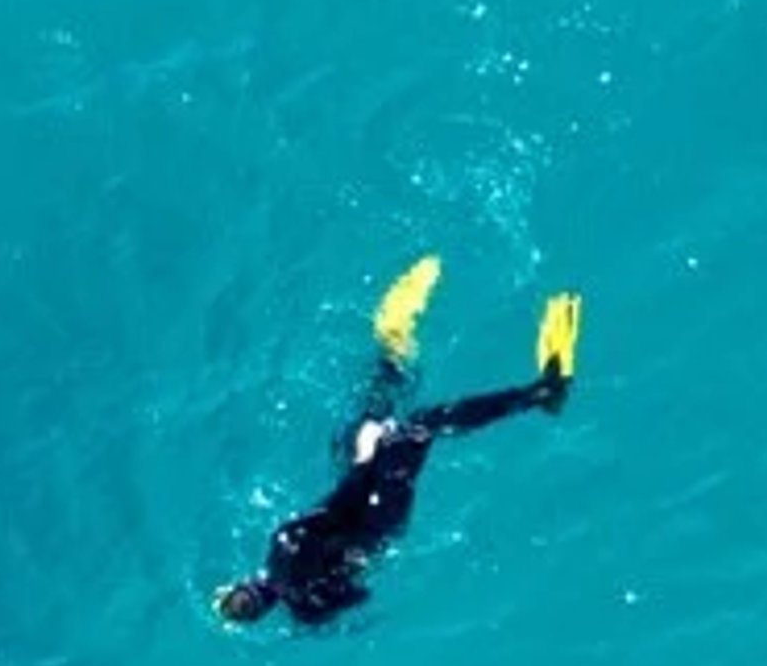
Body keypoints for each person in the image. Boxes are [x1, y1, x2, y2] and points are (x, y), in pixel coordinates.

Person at [214, 258, 581, 627]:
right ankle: (542, 394)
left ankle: (395, 361)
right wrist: (364, 459)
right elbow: (339, 504)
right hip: (370, 508)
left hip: (380, 528)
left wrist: (351, 560)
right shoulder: (286, 544)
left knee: (369, 424)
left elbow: (358, 595)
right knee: (417, 427)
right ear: (240, 584)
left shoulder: (307, 612)